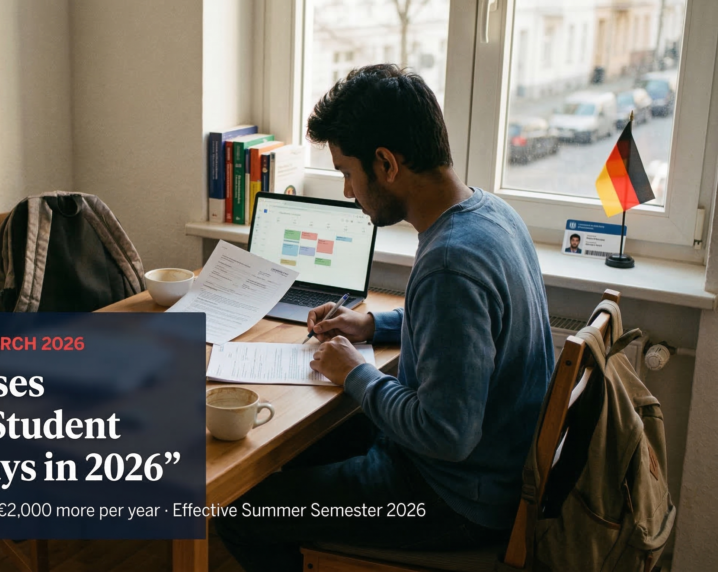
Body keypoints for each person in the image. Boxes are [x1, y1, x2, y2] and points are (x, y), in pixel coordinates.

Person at [214, 64, 554, 572]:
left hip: (451, 499)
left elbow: (446, 435)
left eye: (347, 174)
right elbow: (471, 331)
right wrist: (372, 326)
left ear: (387, 164)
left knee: (241, 513)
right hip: (486, 473)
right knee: (288, 453)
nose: (348, 192)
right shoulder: (489, 214)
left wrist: (356, 372)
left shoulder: (450, 263)